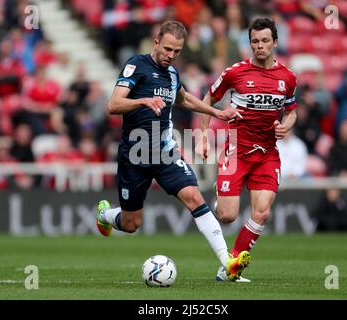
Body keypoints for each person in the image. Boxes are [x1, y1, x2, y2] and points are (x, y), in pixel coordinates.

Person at [96, 20, 250, 282]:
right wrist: (143, 100)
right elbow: (113, 105)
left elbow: (184, 98)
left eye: (177, 51)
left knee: (194, 196)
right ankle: (105, 215)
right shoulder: (137, 65)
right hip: (135, 154)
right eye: (167, 49)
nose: (171, 56)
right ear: (156, 43)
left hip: (164, 150)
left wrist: (216, 112)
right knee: (131, 224)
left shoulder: (172, 74)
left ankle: (228, 263)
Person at [197, 18, 298, 282]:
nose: (260, 46)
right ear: (249, 43)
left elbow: (292, 112)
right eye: (255, 41)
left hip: (267, 154)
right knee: (228, 216)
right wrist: (204, 135)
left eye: (265, 41)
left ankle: (230, 266)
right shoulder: (235, 72)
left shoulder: (287, 77)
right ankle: (220, 202)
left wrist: (286, 126)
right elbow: (209, 97)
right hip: (236, 152)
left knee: (262, 212)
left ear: (275, 42)